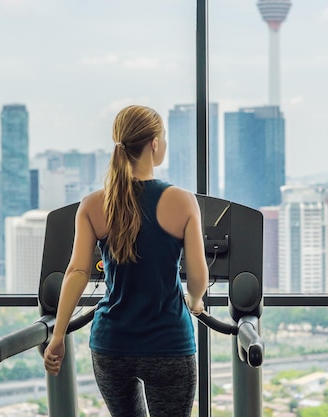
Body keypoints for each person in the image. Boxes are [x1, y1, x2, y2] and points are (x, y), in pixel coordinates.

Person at [43, 104, 209, 417]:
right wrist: (195, 300)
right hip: (168, 343)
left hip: (111, 344)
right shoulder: (182, 201)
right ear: (155, 144)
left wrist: (58, 336)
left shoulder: (93, 204)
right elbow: (199, 276)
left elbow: (77, 272)